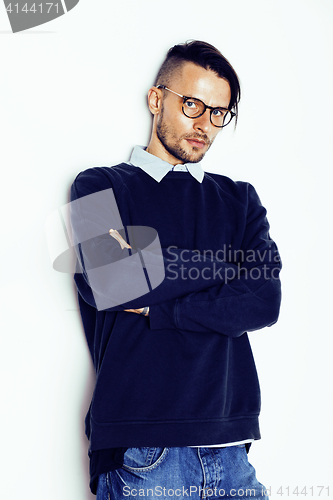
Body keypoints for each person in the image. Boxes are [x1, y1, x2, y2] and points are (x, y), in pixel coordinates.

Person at [70, 40, 282, 499]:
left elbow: (265, 301)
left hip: (231, 447)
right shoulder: (98, 185)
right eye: (192, 104)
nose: (205, 124)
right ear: (156, 100)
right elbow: (112, 280)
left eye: (219, 113)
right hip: (144, 450)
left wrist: (160, 304)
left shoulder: (240, 200)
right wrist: (227, 265)